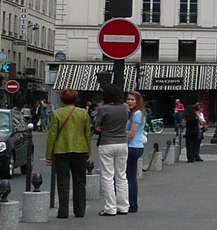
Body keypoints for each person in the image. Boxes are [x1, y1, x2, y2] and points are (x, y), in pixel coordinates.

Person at [46, 89, 91, 219]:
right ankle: (79, 210)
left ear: (61, 100)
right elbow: (87, 133)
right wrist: (88, 150)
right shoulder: (83, 113)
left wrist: (49, 155)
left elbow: (52, 135)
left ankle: (63, 211)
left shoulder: (57, 114)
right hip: (80, 149)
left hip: (61, 150)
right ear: (76, 99)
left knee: (62, 181)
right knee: (80, 181)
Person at [92, 87, 132, 216]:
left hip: (107, 142)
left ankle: (110, 207)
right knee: (121, 176)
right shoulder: (125, 107)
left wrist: (101, 127)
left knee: (108, 176)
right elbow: (127, 119)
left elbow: (97, 125)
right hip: (122, 142)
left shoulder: (103, 109)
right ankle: (124, 206)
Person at [124, 91, 147, 214]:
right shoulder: (135, 113)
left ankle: (132, 204)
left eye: (132, 99)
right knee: (130, 175)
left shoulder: (137, 114)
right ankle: (130, 203)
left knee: (130, 176)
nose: (130, 102)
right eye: (128, 99)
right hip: (136, 146)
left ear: (138, 101)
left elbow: (132, 133)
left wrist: (123, 143)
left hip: (133, 146)